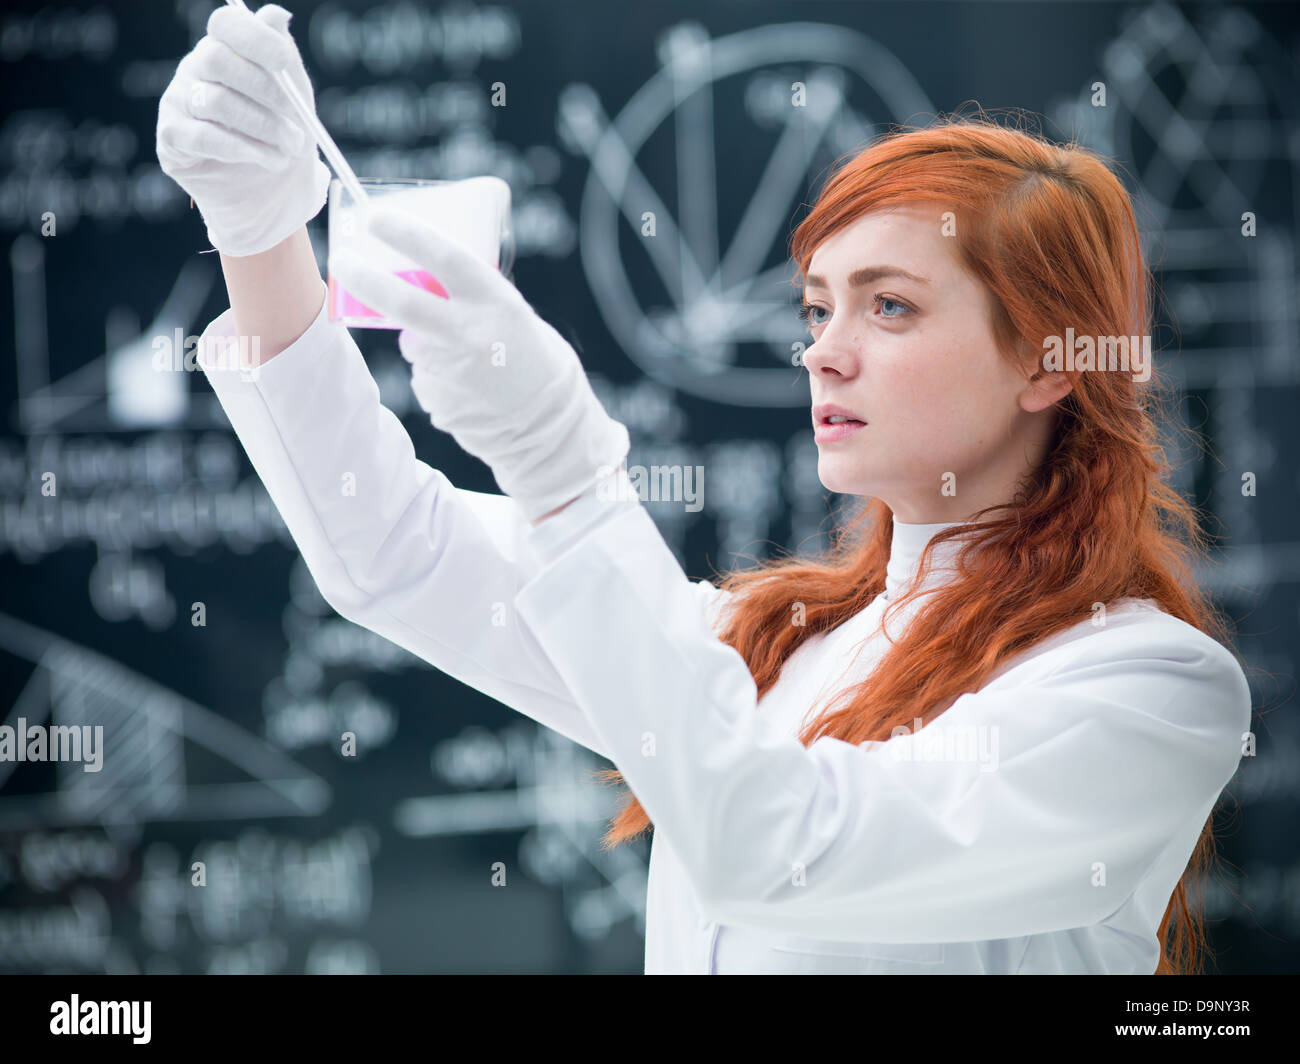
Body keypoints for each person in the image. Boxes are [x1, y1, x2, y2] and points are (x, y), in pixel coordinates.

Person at [157, 3, 1252, 974]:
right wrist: (256, 235)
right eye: (817, 308)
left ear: (1050, 360)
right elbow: (392, 550)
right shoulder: (760, 646)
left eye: (890, 307)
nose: (823, 352)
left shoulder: (1147, 689)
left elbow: (774, 848)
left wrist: (566, 474)